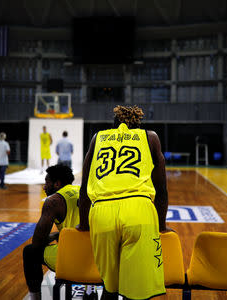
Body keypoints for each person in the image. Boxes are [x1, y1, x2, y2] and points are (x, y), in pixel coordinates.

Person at [78, 105, 170, 300]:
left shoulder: (98, 138)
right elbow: (161, 190)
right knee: (136, 292)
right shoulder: (150, 137)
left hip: (102, 213)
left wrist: (84, 225)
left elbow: (84, 188)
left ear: (113, 125)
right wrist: (161, 226)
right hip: (139, 212)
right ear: (138, 125)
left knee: (109, 289)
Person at [23, 165, 82, 300]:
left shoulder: (54, 201)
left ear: (57, 184)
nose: (44, 187)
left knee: (30, 252)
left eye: (46, 182)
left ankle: (35, 298)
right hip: (97, 257)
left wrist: (56, 235)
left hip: (73, 260)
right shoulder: (84, 191)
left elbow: (37, 242)